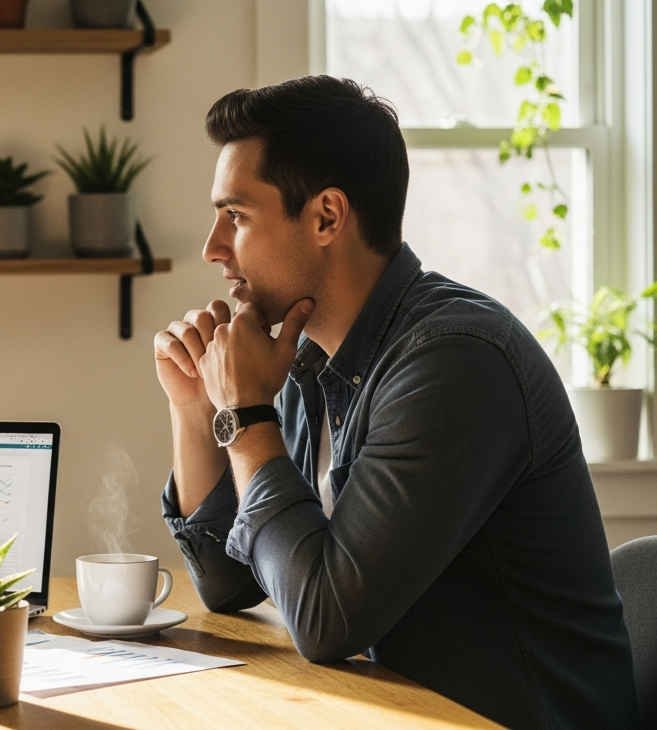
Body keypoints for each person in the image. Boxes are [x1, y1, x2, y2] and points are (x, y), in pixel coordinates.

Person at [153, 76, 639, 729]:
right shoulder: (304, 360)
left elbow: (325, 621)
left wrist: (244, 417)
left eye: (235, 216)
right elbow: (227, 580)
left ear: (327, 216)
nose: (213, 247)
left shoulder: (457, 361)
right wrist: (197, 412)